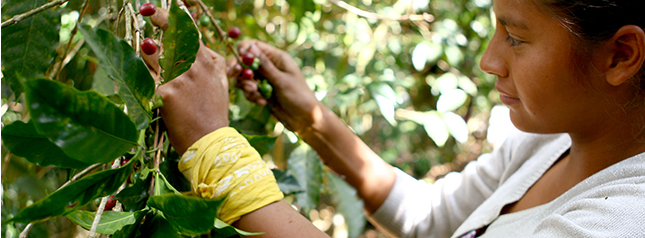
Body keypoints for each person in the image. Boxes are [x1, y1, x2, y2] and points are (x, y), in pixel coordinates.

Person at [141, 0, 645, 237]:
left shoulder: (621, 222)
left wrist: (216, 150)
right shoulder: (552, 141)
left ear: (620, 55)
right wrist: (310, 119)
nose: (491, 60)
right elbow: (432, 217)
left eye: (515, 37)